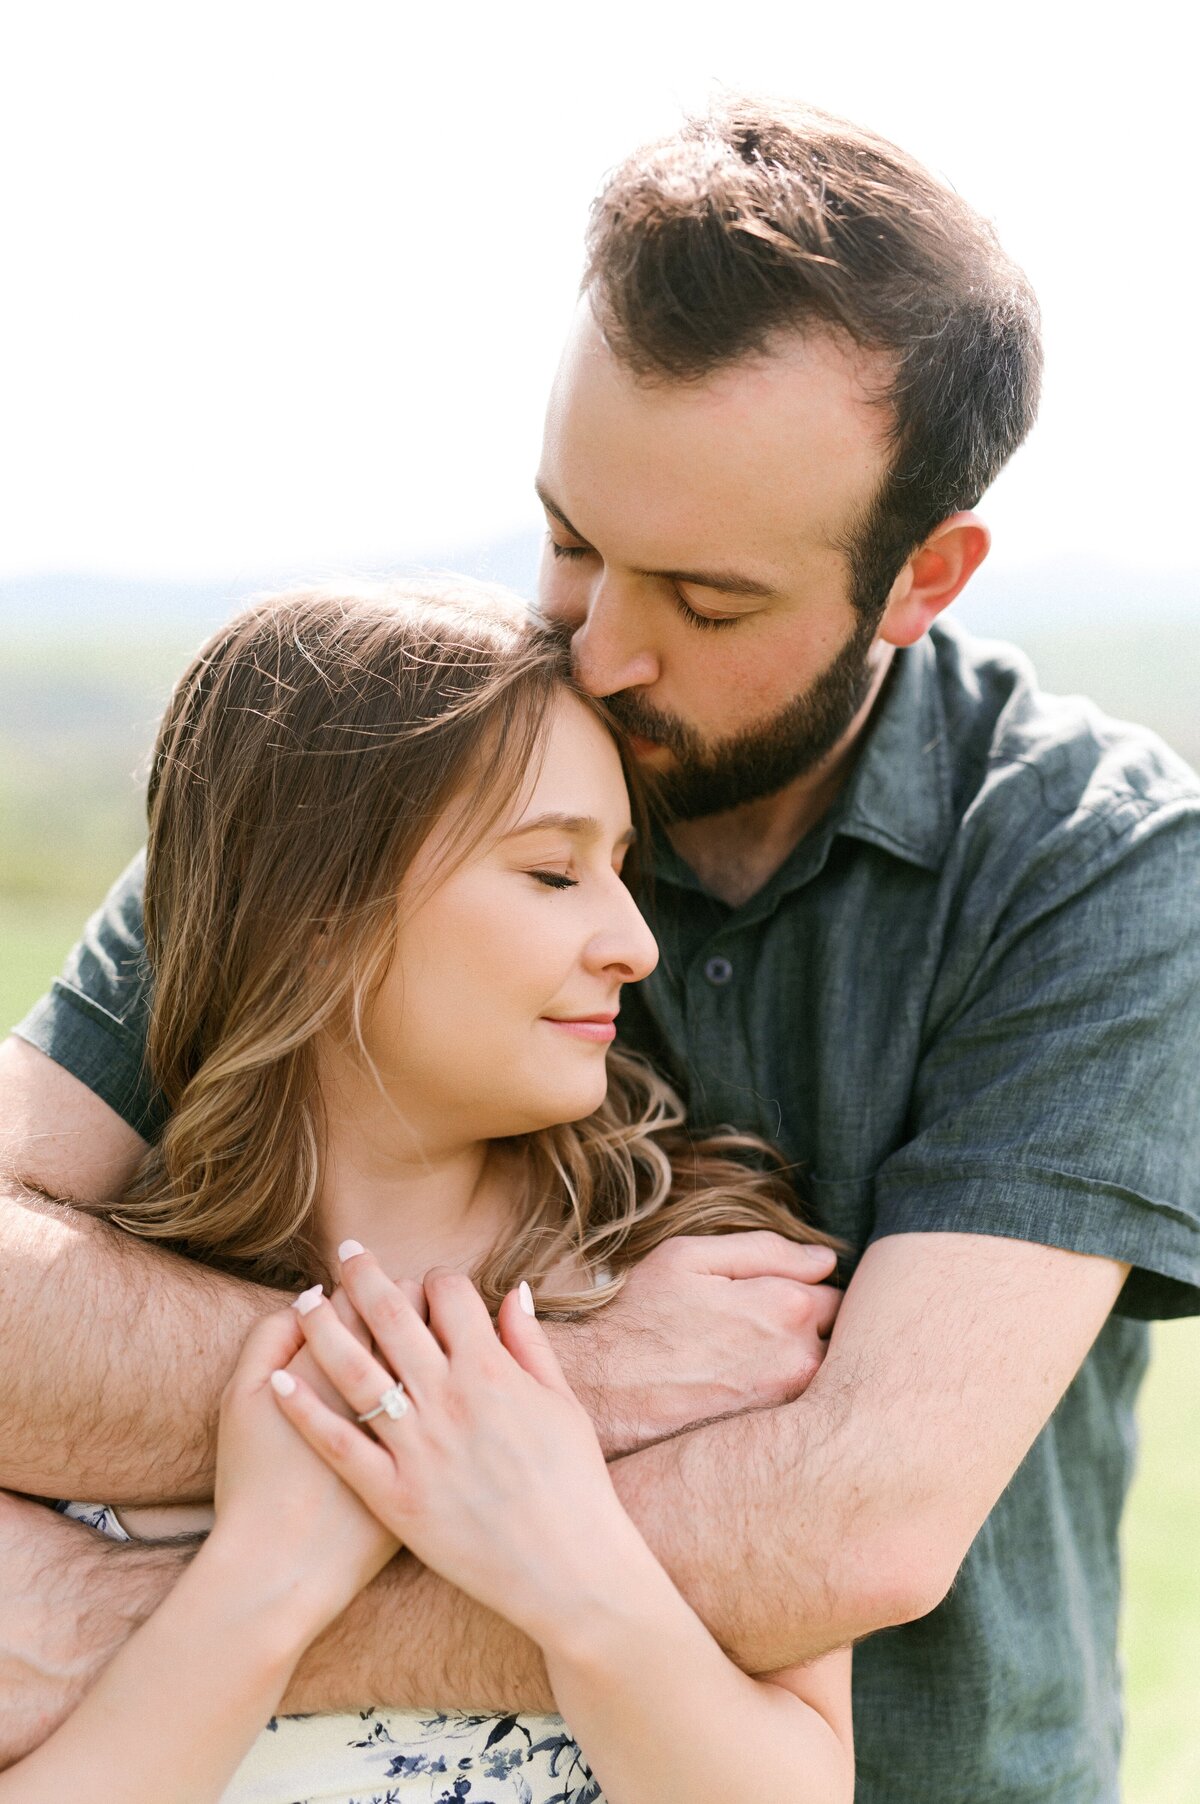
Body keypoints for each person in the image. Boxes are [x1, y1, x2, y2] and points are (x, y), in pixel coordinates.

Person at [3, 96, 1199, 1803]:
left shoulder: (1098, 865)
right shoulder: (397, 772)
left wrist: (150, 1618)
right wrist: (568, 1374)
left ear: (921, 577)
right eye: (571, 540)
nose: (603, 649)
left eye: (706, 601)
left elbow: (851, 1526)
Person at [0, 580, 854, 1802]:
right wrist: (259, 1587)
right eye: (552, 872)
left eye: (620, 868)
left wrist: (571, 1559)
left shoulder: (718, 1319)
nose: (636, 943)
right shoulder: (69, 1343)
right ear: (314, 912)